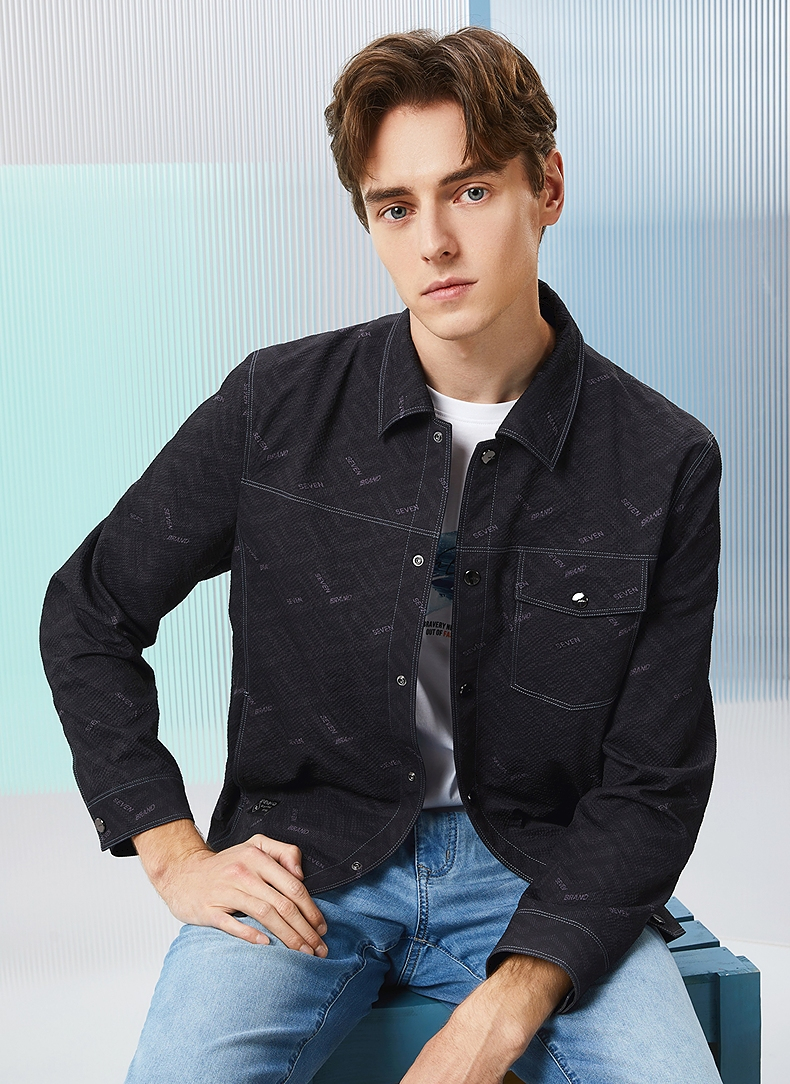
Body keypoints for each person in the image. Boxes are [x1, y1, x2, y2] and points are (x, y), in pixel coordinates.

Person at [40, 26, 723, 1084]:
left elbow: (653, 780)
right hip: (304, 864)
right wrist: (170, 848)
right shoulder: (274, 407)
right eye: (395, 207)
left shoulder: (662, 460)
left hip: (541, 873)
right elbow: (88, 608)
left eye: (471, 191)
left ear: (546, 187)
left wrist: (503, 1010)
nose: (434, 242)